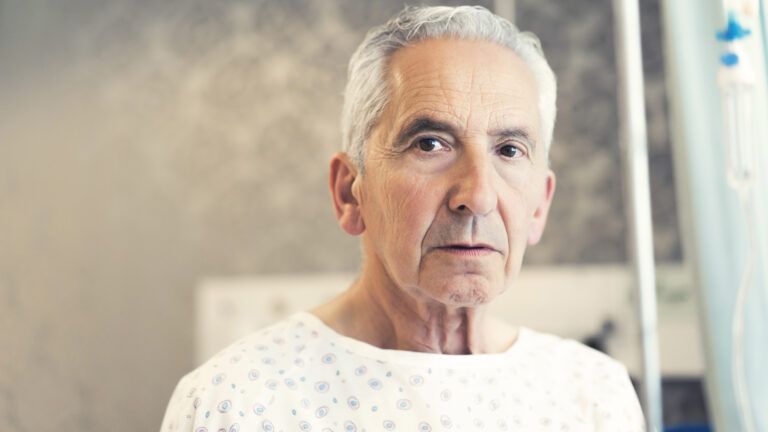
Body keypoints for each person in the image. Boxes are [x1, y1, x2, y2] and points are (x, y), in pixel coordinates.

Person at [160, 5, 645, 431]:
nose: (477, 196)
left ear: (539, 204)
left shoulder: (594, 396)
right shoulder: (235, 405)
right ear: (350, 191)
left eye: (509, 149)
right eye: (430, 143)